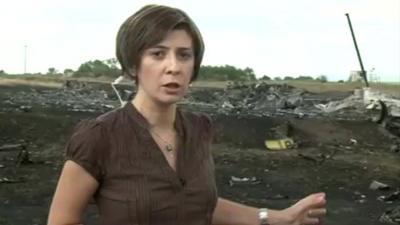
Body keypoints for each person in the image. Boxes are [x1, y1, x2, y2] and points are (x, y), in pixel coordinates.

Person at [48, 4, 327, 225]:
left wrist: (278, 217)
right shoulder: (100, 137)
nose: (174, 67)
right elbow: (62, 220)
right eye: (158, 54)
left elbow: (198, 205)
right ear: (133, 65)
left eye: (184, 55)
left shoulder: (198, 130)